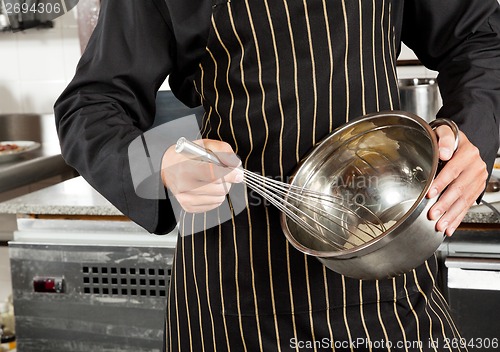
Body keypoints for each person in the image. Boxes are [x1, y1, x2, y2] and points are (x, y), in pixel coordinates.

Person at [55, 0, 500, 350]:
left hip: (386, 270)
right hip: (232, 291)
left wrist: (473, 136)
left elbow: (481, 42)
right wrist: (162, 165)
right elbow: (90, 108)